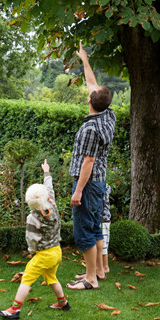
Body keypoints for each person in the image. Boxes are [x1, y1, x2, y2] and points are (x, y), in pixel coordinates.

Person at [66, 41, 116, 291]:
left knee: (84, 230)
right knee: (95, 226)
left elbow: (88, 161)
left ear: (89, 101)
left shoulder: (89, 129)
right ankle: (97, 271)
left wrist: (77, 192)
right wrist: (85, 60)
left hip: (87, 183)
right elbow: (92, 84)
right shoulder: (109, 115)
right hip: (100, 183)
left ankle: (90, 279)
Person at [0, 159, 69, 320]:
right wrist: (46, 172)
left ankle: (14, 309)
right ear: (45, 197)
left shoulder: (33, 217)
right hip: (56, 251)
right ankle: (62, 302)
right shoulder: (52, 204)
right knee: (51, 277)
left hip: (44, 254)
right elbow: (49, 188)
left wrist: (31, 251)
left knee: (27, 278)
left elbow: (31, 238)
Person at [75, 184, 111, 280]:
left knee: (89, 232)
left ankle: (100, 270)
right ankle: (97, 270)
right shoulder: (103, 185)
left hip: (103, 218)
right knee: (97, 234)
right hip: (102, 217)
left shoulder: (100, 186)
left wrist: (78, 191)